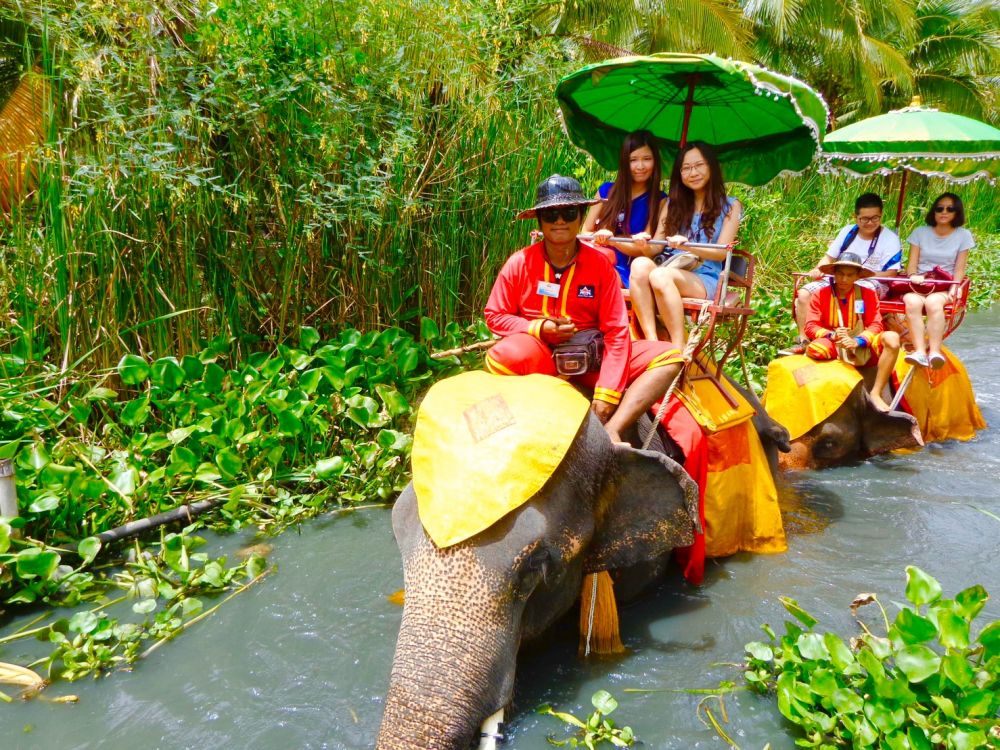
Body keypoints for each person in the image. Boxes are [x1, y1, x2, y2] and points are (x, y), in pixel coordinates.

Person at [484, 174, 685, 443]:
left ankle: (614, 428)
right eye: (551, 214)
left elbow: (616, 331)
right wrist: (539, 328)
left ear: (580, 217)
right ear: (539, 220)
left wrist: (607, 392)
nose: (559, 221)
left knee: (669, 358)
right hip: (541, 355)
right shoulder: (519, 262)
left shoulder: (600, 266)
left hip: (591, 357)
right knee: (506, 354)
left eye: (568, 213)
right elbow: (494, 315)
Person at [633, 141, 742, 345]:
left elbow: (722, 252)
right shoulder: (671, 204)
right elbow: (656, 246)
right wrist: (643, 245)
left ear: (711, 167)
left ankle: (678, 346)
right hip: (670, 267)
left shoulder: (730, 206)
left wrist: (687, 246)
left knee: (659, 275)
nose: (693, 173)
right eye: (686, 168)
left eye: (699, 165)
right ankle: (652, 341)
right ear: (680, 174)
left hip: (705, 277)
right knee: (640, 265)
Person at [784, 192, 901, 355]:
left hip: (873, 279)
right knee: (804, 293)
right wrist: (818, 269)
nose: (870, 223)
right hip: (840, 274)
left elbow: (891, 273)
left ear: (881, 215)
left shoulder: (890, 238)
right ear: (855, 217)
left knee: (859, 291)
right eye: (865, 219)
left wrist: (861, 275)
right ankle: (804, 339)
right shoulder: (848, 231)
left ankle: (857, 337)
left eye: (875, 218)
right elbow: (828, 258)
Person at [582, 131, 667, 338]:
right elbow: (585, 231)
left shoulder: (659, 199)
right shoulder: (606, 191)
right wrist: (600, 238)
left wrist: (612, 240)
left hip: (629, 267)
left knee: (601, 280)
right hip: (598, 257)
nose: (640, 166)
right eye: (633, 160)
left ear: (655, 162)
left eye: (646, 159)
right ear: (624, 162)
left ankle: (620, 335)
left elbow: (646, 247)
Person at [802, 253, 901, 412]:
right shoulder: (820, 294)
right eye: (840, 274)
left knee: (892, 338)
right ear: (834, 273)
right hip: (833, 342)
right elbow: (811, 326)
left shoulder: (868, 294)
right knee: (817, 349)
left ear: (857, 276)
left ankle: (876, 393)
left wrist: (858, 341)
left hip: (862, 345)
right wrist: (832, 335)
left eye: (850, 275)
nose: (844, 279)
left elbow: (875, 324)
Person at [901, 193, 974, 369]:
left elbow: (959, 268)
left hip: (944, 285)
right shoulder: (920, 232)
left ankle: (934, 351)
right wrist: (914, 276)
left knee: (933, 303)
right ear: (934, 211)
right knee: (911, 301)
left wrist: (955, 287)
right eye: (939, 208)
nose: (944, 212)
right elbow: (912, 265)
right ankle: (919, 351)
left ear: (957, 212)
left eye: (950, 209)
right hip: (920, 283)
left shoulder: (963, 235)